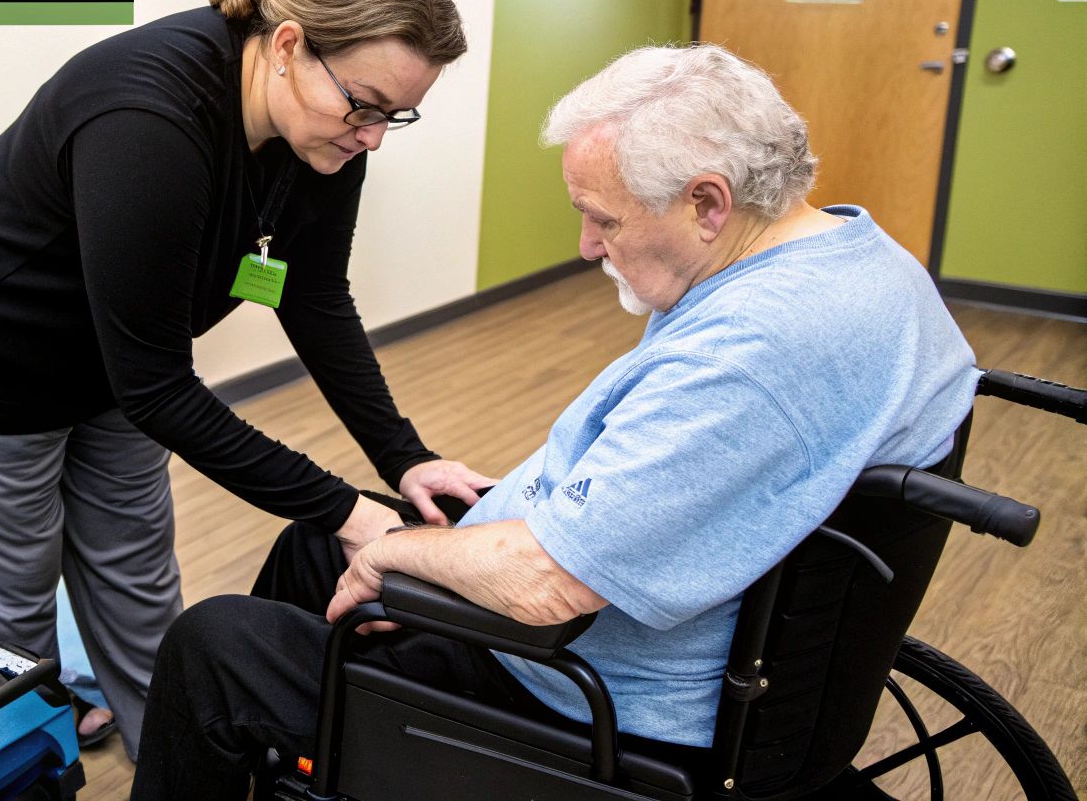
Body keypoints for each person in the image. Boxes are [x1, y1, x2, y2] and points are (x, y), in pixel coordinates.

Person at [129, 44, 980, 799]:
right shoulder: (857, 258)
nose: (584, 244)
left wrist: (397, 552)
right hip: (633, 608)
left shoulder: (755, 353)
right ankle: (326, 749)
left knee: (215, 647)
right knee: (318, 542)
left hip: (576, 684)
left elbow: (550, 587)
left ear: (708, 203)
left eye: (603, 217)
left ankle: (332, 734)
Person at [0, 0, 496, 758]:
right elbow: (161, 391)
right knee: (8, 608)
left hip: (125, 358)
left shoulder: (327, 127)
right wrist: (348, 512)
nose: (375, 136)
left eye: (398, 113)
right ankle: (28, 753)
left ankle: (175, 754)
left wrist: (403, 458)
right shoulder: (149, 116)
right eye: (364, 106)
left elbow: (311, 293)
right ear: (288, 45)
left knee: (137, 576)